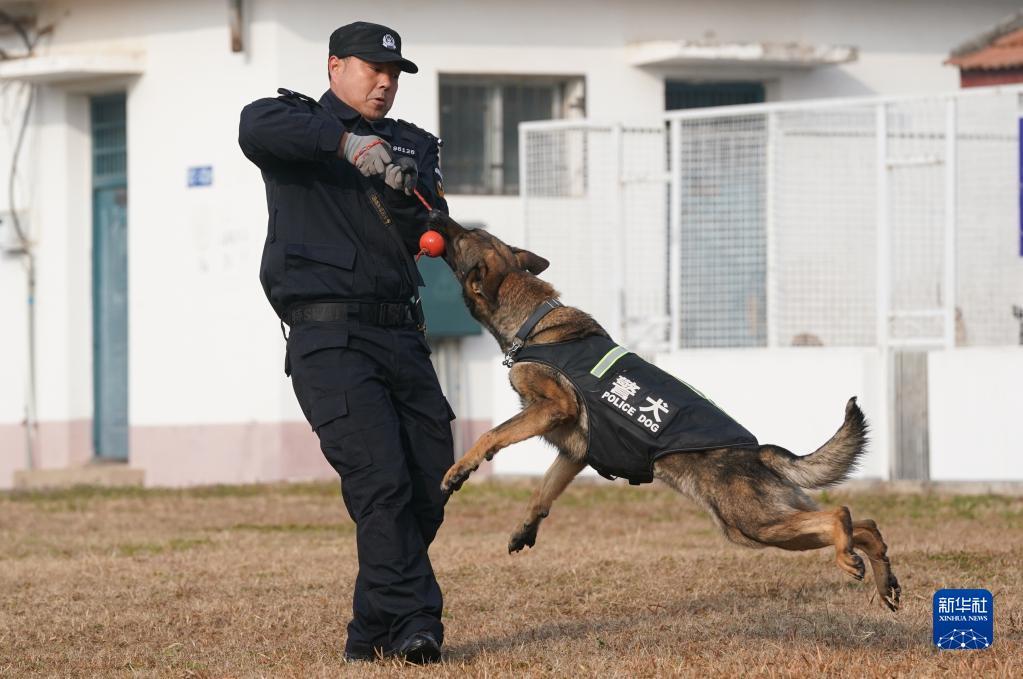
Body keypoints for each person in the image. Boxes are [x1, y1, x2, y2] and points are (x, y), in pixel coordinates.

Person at [238, 21, 454, 664]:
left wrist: (421, 196)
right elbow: (255, 127)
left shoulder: (412, 143)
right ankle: (418, 623)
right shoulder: (294, 125)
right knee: (379, 480)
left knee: (427, 480)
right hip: (328, 337)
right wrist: (347, 144)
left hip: (403, 335)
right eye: (371, 68)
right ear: (335, 66)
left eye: (393, 74)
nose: (384, 82)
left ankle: (370, 632)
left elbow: (432, 226)